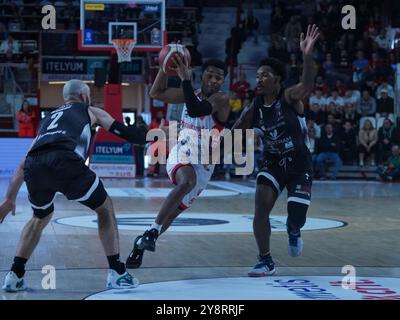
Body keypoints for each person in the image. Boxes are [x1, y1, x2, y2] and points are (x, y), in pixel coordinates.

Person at [0, 80, 143, 292]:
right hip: (65, 161)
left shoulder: (48, 120)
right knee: (104, 208)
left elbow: (25, 161)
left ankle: (14, 275)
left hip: (35, 165)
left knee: (40, 217)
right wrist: (161, 136)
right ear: (84, 96)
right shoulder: (90, 110)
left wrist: (9, 199)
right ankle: (117, 272)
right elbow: (128, 134)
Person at [231, 24, 319, 276]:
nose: (259, 79)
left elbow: (308, 82)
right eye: (257, 75)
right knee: (260, 207)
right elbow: (236, 130)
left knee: (296, 217)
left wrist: (307, 54)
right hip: (272, 163)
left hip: (299, 163)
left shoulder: (290, 96)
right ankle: (265, 259)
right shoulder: (254, 107)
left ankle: (294, 229)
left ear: (277, 80)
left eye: (265, 75)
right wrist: (211, 154)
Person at [126, 58, 230, 268]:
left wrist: (185, 81)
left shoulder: (222, 99)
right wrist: (164, 69)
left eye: (218, 78)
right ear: (203, 75)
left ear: (223, 81)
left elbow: (197, 110)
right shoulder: (189, 92)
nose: (213, 80)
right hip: (182, 152)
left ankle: (142, 242)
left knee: (173, 213)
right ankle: (153, 230)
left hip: (204, 165)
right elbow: (155, 93)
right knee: (187, 181)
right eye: (209, 75)